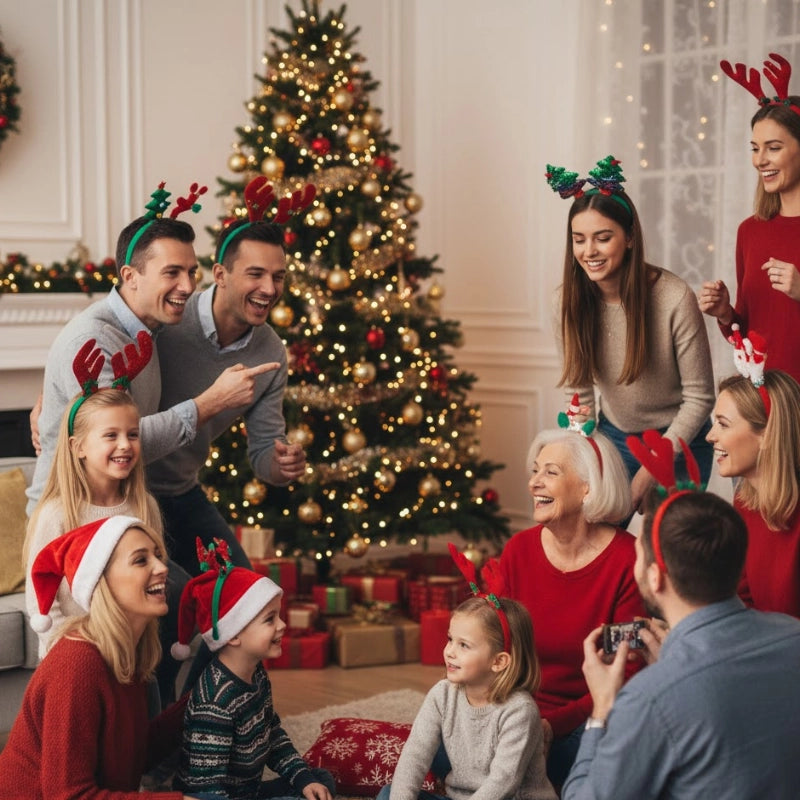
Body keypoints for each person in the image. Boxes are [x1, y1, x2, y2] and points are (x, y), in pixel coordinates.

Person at [26, 183, 276, 516]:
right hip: (75, 517)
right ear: (130, 276)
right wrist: (212, 401)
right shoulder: (93, 339)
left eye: (191, 272)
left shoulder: (155, 327)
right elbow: (117, 443)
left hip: (131, 505)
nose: (188, 286)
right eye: (172, 273)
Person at [561, 487, 800, 799]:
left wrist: (602, 710)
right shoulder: (793, 635)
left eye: (638, 555)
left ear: (655, 577)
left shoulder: (649, 698)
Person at [547, 156, 715, 512]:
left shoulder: (673, 298)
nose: (589, 251)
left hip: (680, 438)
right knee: (597, 528)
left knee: (668, 541)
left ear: (629, 238)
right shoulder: (565, 302)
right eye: (579, 240)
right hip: (615, 435)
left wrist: (651, 469)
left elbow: (700, 399)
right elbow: (579, 391)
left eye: (603, 238)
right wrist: (585, 457)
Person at [147, 206, 307, 578]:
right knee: (168, 595)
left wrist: (281, 464)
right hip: (128, 494)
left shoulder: (271, 353)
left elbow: (265, 450)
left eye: (278, 277)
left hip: (180, 491)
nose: (270, 289)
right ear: (220, 274)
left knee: (246, 595)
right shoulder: (169, 316)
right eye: (256, 274)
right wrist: (54, 398)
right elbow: (102, 342)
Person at [0, 515, 201, 799]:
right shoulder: (76, 664)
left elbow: (132, 756)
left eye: (158, 556)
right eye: (141, 560)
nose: (162, 568)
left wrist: (199, 703)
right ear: (102, 582)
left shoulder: (126, 652)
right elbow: (69, 795)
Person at [499, 424, 644, 790]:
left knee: (586, 766)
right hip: (517, 712)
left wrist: (554, 725)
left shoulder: (627, 559)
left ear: (587, 488)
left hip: (589, 717)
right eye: (535, 471)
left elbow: (627, 670)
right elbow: (495, 645)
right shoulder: (518, 550)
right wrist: (514, 719)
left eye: (551, 472)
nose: (534, 483)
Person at [170, 538, 335, 800]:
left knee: (321, 780)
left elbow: (272, 734)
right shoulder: (215, 703)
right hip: (215, 796)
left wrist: (303, 778)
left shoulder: (256, 674)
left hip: (249, 791)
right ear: (233, 635)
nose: (282, 625)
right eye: (270, 619)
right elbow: (206, 790)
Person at [24, 346, 162, 656]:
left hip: (130, 651)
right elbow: (42, 599)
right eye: (111, 435)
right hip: (72, 654)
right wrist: (71, 650)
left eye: (133, 434)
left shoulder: (144, 507)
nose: (125, 445)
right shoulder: (57, 514)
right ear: (79, 447)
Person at [377, 586, 557, 800]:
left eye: (464, 645)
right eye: (450, 639)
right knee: (390, 793)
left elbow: (503, 783)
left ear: (499, 661)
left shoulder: (520, 710)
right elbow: (415, 755)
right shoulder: (442, 694)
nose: (449, 651)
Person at [699, 52, 800, 384]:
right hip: (761, 400)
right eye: (755, 148)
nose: (760, 160)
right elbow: (746, 336)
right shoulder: (750, 231)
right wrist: (725, 313)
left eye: (773, 147)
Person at [706, 367, 800, 617]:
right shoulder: (744, 503)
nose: (710, 436)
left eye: (723, 424)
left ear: (767, 435)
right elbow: (743, 601)